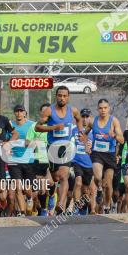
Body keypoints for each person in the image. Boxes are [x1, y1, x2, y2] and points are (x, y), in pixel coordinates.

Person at [36, 86, 81, 214]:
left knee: (64, 176)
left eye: (64, 96)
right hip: (52, 148)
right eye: (60, 95)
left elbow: (79, 120)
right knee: (55, 177)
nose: (62, 98)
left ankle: (61, 204)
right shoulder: (49, 111)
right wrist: (54, 127)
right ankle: (52, 197)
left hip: (66, 147)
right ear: (56, 96)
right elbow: (37, 127)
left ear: (68, 97)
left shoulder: (72, 110)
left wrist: (80, 132)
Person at [89, 99, 123, 213]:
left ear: (108, 108)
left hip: (109, 155)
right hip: (97, 153)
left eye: (105, 108)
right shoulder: (93, 121)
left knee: (108, 184)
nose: (103, 110)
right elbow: (83, 134)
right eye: (100, 108)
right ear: (98, 109)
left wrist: (114, 135)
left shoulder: (114, 121)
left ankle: (107, 206)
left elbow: (122, 140)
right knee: (98, 177)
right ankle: (99, 189)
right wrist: (85, 145)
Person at [5, 104, 36, 217]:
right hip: (14, 160)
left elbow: (37, 139)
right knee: (18, 187)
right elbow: (7, 139)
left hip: (29, 160)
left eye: (21, 111)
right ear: (15, 113)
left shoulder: (32, 125)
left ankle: (29, 197)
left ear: (25, 113)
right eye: (17, 111)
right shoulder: (10, 126)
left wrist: (32, 144)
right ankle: (22, 212)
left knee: (27, 189)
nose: (19, 113)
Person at [73, 109, 96, 214]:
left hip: (90, 164)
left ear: (90, 118)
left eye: (87, 117)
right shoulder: (74, 130)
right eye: (83, 117)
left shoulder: (95, 132)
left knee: (87, 190)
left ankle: (89, 210)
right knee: (78, 182)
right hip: (77, 162)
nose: (85, 119)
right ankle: (76, 205)